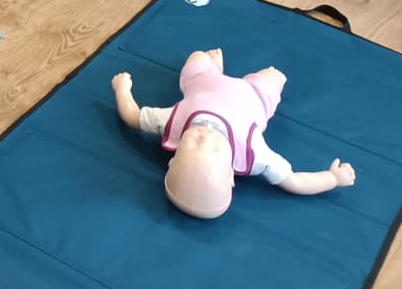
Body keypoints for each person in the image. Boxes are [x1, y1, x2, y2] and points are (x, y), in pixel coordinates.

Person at [111, 47, 357, 219]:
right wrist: (332, 178)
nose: (205, 138)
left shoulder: (174, 123)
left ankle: (215, 68)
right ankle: (255, 76)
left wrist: (122, 89)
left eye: (194, 143)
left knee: (197, 56)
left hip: (203, 81)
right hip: (254, 96)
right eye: (215, 149)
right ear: (232, 174)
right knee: (275, 75)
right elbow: (293, 181)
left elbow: (132, 116)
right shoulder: (253, 154)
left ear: (172, 159)